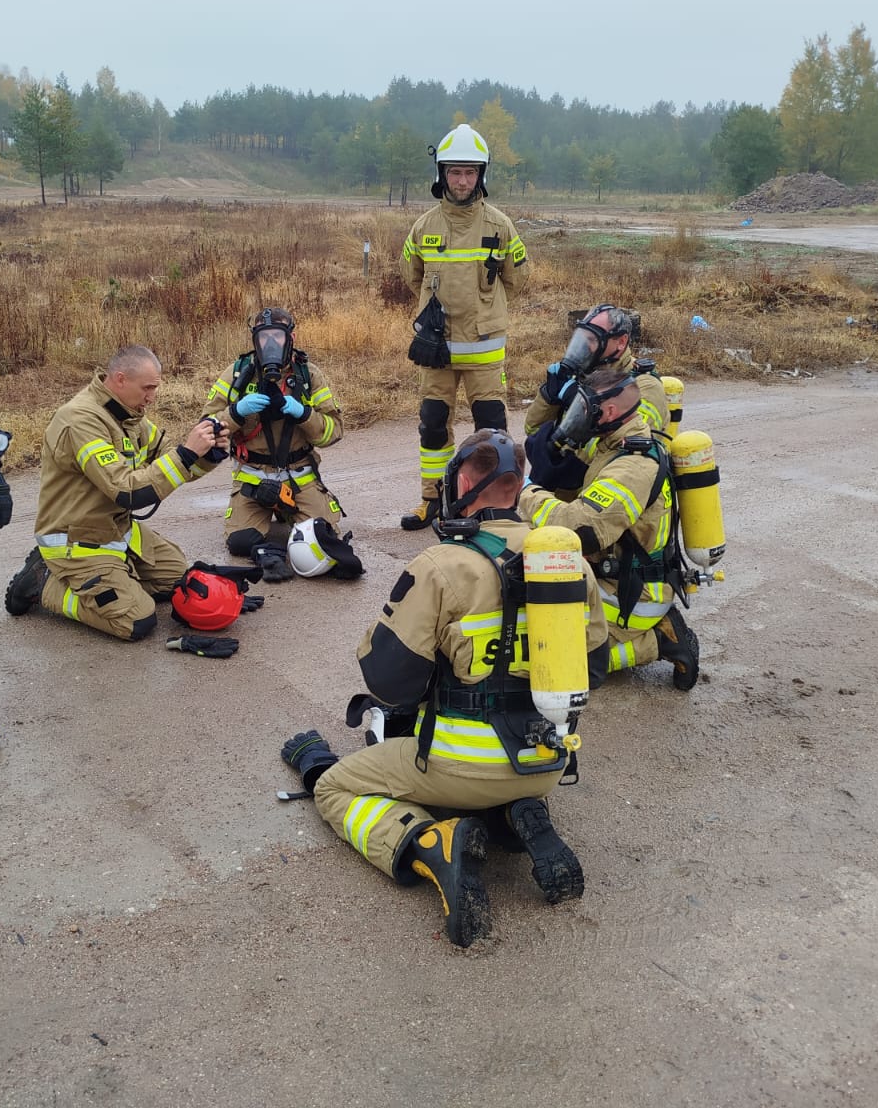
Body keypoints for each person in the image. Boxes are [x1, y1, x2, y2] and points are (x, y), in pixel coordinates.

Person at [281, 430, 606, 947]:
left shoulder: (441, 564)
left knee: (334, 788)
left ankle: (430, 841)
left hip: (460, 767)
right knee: (495, 775)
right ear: (519, 483)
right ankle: (516, 814)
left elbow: (387, 680)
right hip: (545, 764)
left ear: (464, 483)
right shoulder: (567, 564)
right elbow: (597, 665)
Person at [3, 345, 226, 641]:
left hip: (115, 530)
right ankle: (43, 583)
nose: (152, 397)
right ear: (120, 379)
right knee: (137, 621)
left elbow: (169, 461)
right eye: (147, 388)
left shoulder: (129, 416)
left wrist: (207, 455)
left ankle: (117, 579)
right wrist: (186, 454)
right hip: (77, 540)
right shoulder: (80, 420)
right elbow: (129, 492)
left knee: (177, 580)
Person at [522, 368, 700, 691]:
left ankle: (659, 640)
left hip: (632, 596)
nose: (579, 416)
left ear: (610, 412)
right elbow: (552, 449)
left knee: (550, 653)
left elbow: (579, 530)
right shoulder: (610, 442)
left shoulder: (633, 467)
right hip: (610, 574)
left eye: (584, 410)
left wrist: (526, 494)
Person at [398, 125, 530, 531]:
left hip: (484, 348)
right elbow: (412, 275)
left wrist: (483, 309)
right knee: (433, 424)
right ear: (441, 174)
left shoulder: (500, 226)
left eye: (470, 173)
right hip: (435, 349)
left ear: (481, 175)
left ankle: (492, 505)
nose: (461, 181)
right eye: (454, 172)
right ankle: (433, 501)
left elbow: (517, 279)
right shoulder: (423, 227)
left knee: (490, 431)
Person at [203, 308, 361, 582]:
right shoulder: (237, 374)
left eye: (277, 336)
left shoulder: (308, 375)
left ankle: (290, 513)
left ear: (291, 338)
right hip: (253, 477)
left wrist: (303, 414)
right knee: (241, 541)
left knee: (323, 536)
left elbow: (333, 432)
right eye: (264, 337)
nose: (271, 344)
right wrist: (236, 412)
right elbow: (205, 427)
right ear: (254, 340)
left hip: (299, 475)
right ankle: (270, 542)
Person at [526, 306, 670, 459]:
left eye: (592, 339)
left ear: (621, 342)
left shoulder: (644, 386)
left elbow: (623, 447)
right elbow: (533, 432)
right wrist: (549, 397)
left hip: (603, 471)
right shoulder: (584, 377)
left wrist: (580, 404)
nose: (584, 347)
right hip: (566, 471)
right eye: (581, 338)